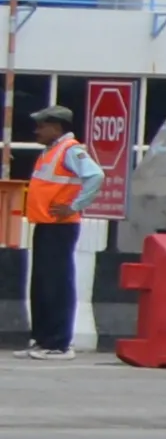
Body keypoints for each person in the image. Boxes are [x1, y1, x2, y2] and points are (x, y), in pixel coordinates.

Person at [14, 111, 88, 355]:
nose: (36, 131)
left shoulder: (71, 150)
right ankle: (43, 340)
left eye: (41, 127)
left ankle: (59, 343)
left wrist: (74, 206)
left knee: (56, 284)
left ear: (56, 127)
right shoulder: (51, 151)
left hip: (61, 226)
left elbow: (96, 176)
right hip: (45, 224)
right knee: (42, 284)